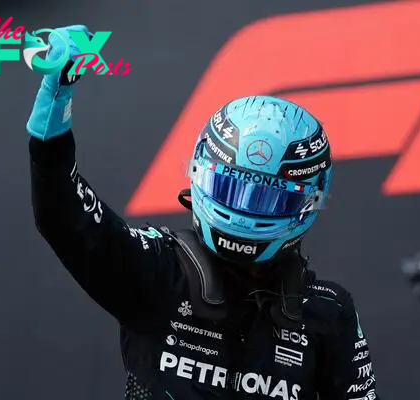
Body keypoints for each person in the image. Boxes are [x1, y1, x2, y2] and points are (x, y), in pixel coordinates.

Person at [27, 25, 379, 400]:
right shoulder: (158, 270)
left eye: (267, 199)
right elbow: (65, 219)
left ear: (309, 202)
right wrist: (56, 97)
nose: (243, 212)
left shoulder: (327, 310)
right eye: (229, 187)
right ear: (198, 174)